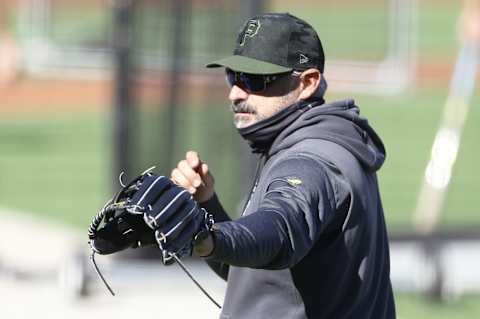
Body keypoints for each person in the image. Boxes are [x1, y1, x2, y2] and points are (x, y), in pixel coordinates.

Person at [170, 12, 396, 319]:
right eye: (232, 77)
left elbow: (278, 232)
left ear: (307, 83)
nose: (235, 93)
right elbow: (260, 278)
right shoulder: (315, 143)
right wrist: (206, 207)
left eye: (254, 80)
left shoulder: (311, 160)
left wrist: (207, 236)